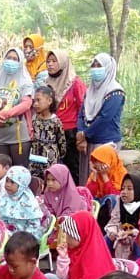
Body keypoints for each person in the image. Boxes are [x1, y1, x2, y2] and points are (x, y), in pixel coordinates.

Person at [0, 47, 35, 182]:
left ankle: (22, 202)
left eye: (15, 59)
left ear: (20, 62)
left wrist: (7, 114)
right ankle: (0, 201)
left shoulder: (25, 81)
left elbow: (27, 103)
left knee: (19, 172)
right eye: (8, 58)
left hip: (18, 136)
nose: (10, 61)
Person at [76, 54, 125, 179]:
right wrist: (81, 133)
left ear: (108, 68)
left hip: (105, 142)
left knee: (103, 179)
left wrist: (84, 135)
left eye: (99, 66)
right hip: (87, 143)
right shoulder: (90, 91)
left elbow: (105, 118)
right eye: (93, 65)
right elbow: (82, 113)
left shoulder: (115, 91)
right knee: (87, 179)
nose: (95, 69)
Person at [42, 48, 87, 181]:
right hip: (50, 132)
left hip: (70, 133)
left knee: (72, 169)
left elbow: (83, 108)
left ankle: (75, 197)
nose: (50, 64)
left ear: (62, 63)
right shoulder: (46, 84)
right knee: (52, 170)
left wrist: (82, 133)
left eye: (54, 61)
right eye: (48, 61)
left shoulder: (74, 83)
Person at [99, 173, 140, 260]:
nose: (124, 192)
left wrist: (130, 233)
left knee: (138, 243)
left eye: (129, 189)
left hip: (137, 236)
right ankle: (102, 260)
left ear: (138, 190)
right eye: (123, 188)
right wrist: (113, 232)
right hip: (121, 234)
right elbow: (114, 220)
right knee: (106, 238)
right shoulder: (120, 202)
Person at [0, 166, 44, 239]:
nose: (8, 184)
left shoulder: (29, 201)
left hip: (26, 237)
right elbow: (3, 219)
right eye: (7, 180)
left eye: (12, 182)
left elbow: (34, 226)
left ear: (21, 185)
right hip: (10, 234)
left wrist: (23, 237)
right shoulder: (5, 197)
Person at [29, 85, 65, 177]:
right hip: (35, 158)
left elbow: (61, 142)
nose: (35, 104)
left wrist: (59, 156)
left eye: (38, 100)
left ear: (49, 101)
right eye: (34, 101)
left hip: (50, 159)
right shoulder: (34, 120)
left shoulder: (56, 122)